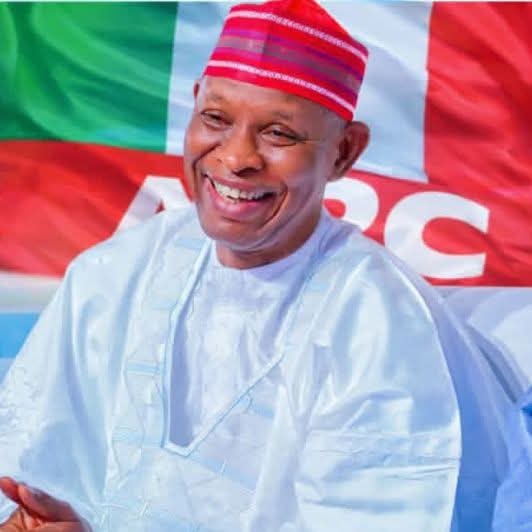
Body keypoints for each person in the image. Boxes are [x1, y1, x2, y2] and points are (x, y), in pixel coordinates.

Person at [0, 0, 511, 530]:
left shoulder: (376, 324)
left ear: (344, 153)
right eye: (216, 120)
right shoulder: (117, 272)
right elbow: (32, 464)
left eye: (278, 134)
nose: (236, 157)